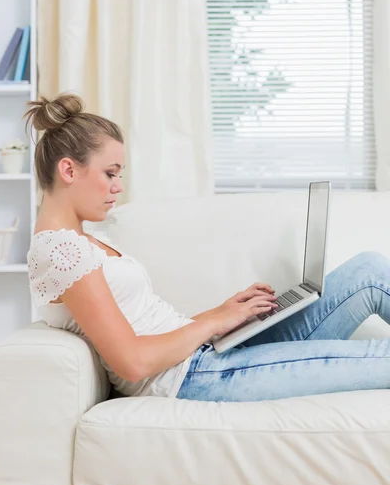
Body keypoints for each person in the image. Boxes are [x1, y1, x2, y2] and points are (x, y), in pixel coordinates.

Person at [25, 93, 390, 402]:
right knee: (379, 357)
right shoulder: (60, 252)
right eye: (111, 173)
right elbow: (132, 362)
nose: (118, 186)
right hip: (199, 375)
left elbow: (148, 328)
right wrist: (215, 323)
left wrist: (222, 314)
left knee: (368, 272)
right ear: (69, 171)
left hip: (208, 353)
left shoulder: (82, 241)